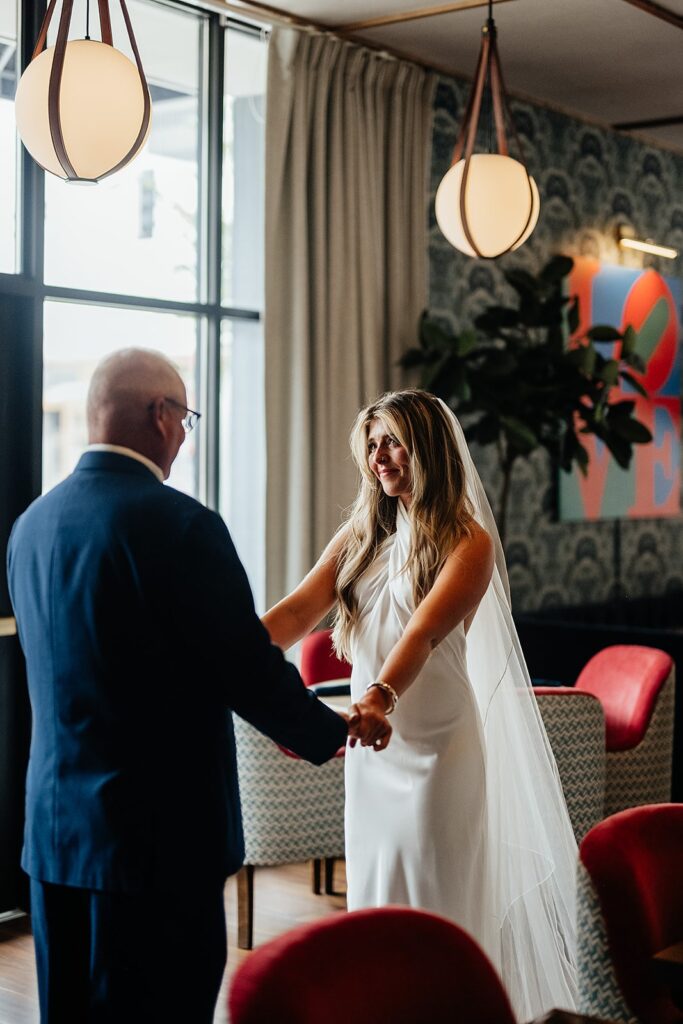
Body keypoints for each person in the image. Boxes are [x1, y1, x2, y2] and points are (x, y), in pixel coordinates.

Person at [6, 348, 391, 1024]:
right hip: (157, 837)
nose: (184, 435)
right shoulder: (182, 525)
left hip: (54, 832)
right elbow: (242, 664)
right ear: (160, 416)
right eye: (185, 418)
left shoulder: (31, 527)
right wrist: (328, 730)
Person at [263, 389, 578, 1020]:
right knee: (376, 896)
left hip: (437, 749)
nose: (379, 457)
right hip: (372, 748)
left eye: (393, 442)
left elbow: (424, 633)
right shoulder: (362, 533)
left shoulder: (468, 541)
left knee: (436, 898)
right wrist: (233, 653)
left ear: (427, 448)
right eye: (372, 444)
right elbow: (298, 610)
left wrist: (380, 694)